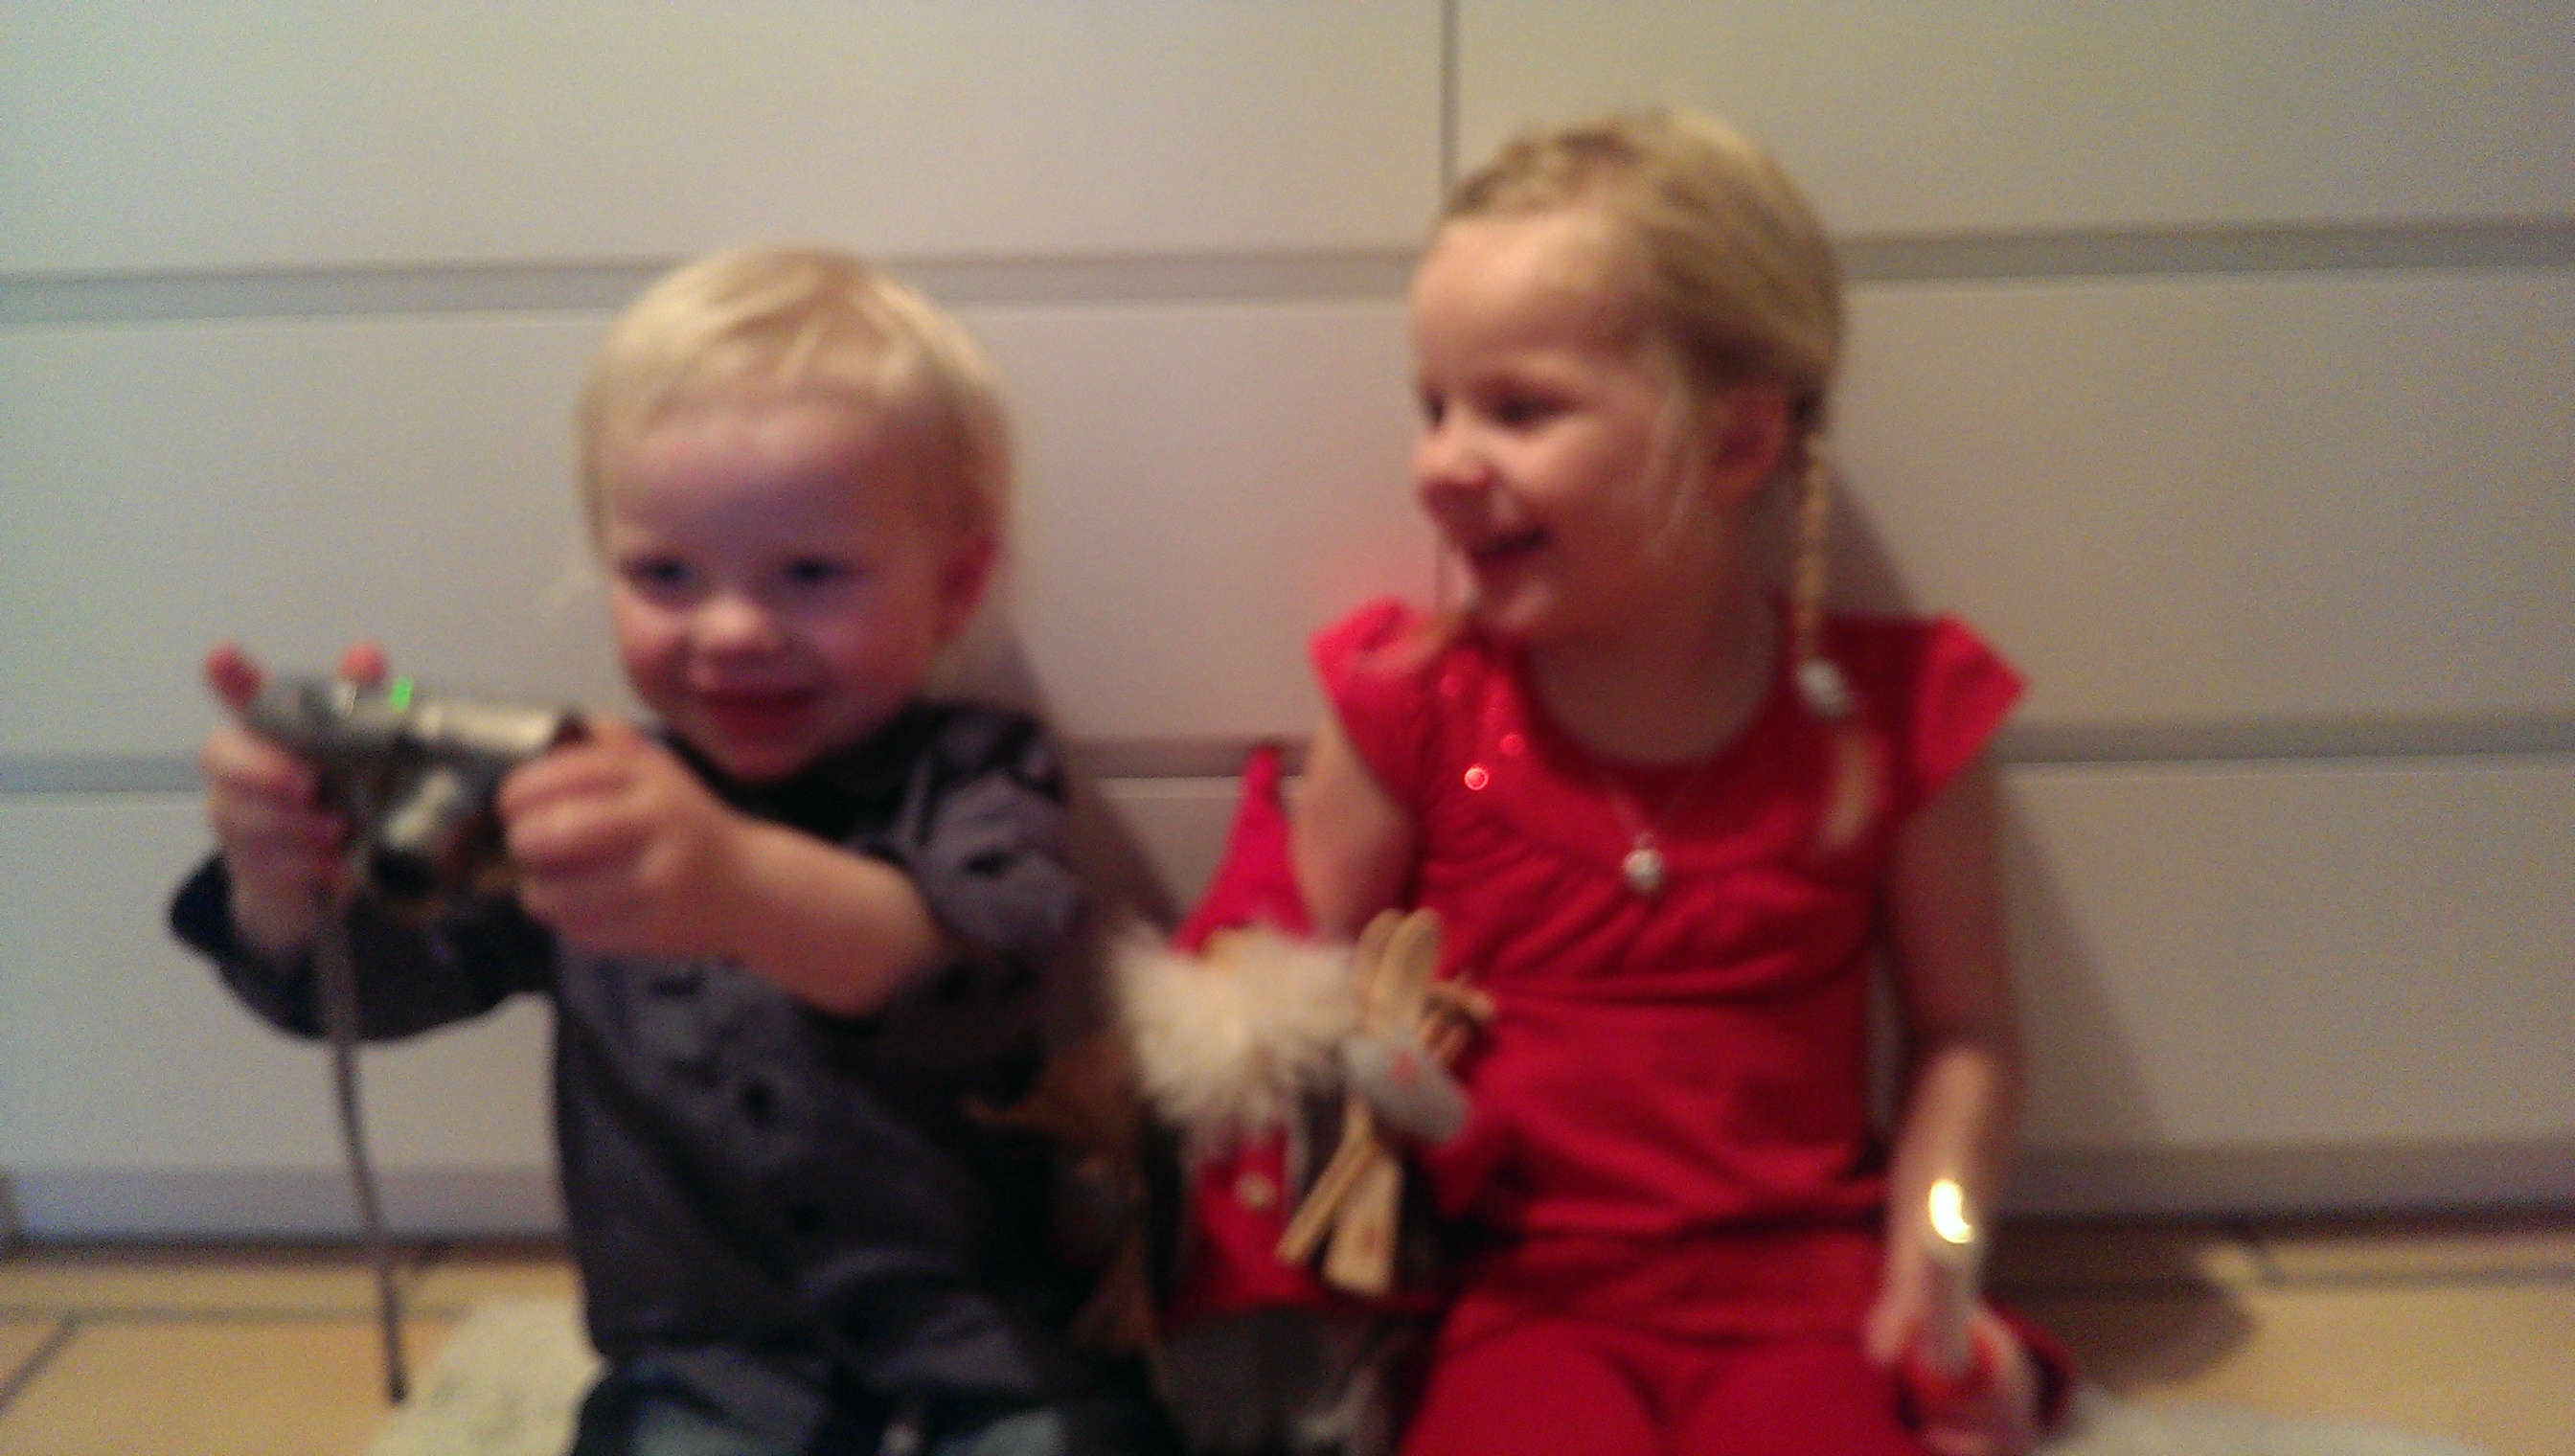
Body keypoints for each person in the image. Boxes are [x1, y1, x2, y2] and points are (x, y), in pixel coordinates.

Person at [171, 247, 1168, 1456]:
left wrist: (737, 884)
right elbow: (379, 989)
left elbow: (971, 971)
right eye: (665, 574)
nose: (733, 628)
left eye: (811, 572)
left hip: (987, 1343)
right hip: (713, 1366)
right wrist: (285, 880)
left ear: (953, 588)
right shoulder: (569, 795)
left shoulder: (977, 770)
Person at [1288, 113, 2064, 1456]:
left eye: (1517, 409)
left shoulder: (1892, 720)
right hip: (1510, 1299)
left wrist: (1935, 1256)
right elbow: (1291, 997)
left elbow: (1966, 1035)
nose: (1440, 462)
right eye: (1434, 406)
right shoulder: (1410, 704)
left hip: (1807, 1296)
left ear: (1736, 443)